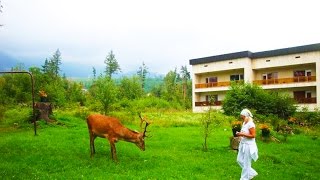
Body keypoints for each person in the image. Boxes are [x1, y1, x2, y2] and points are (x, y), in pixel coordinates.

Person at [236, 109, 258, 180]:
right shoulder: (244, 123)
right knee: (239, 160)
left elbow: (253, 135)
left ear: (246, 116)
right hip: (243, 144)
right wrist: (239, 134)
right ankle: (252, 173)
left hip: (249, 146)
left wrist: (242, 134)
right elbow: (244, 133)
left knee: (246, 163)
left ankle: (244, 178)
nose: (241, 118)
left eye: (242, 117)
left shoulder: (251, 124)